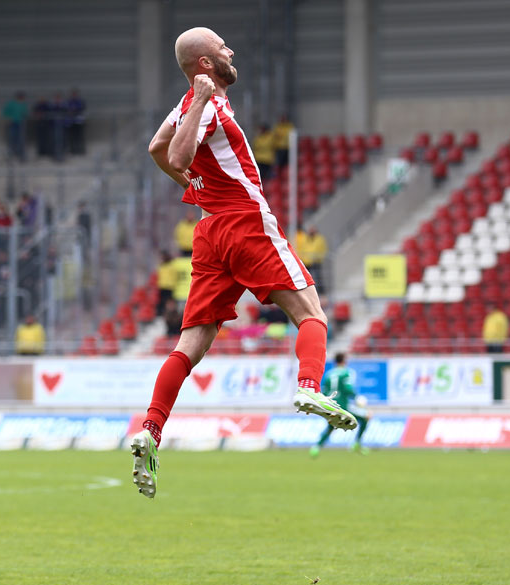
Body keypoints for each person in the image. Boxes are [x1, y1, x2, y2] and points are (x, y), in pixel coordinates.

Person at [130, 27, 356, 499]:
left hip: (211, 231)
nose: (231, 50)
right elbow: (175, 152)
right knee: (311, 313)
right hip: (245, 221)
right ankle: (309, 385)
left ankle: (151, 429)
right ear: (206, 64)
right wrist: (199, 110)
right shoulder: (206, 104)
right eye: (221, 47)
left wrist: (193, 187)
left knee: (193, 340)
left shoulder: (195, 102)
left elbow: (155, 149)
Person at [310, 352, 370, 457]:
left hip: (330, 406)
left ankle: (316, 447)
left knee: (331, 426)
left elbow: (324, 391)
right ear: (344, 361)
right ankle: (357, 443)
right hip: (343, 406)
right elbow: (347, 389)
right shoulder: (346, 372)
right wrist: (357, 398)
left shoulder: (329, 374)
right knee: (366, 416)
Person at [2, 91, 29, 161]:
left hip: (21, 124)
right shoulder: (11, 104)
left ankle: (21, 154)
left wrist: (24, 117)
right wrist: (8, 118)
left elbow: (26, 113)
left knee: (21, 139)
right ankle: (12, 153)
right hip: (13, 124)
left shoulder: (23, 104)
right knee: (12, 138)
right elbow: (5, 112)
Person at [66, 88, 87, 155]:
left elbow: (82, 108)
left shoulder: (80, 101)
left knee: (79, 137)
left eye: (75, 94)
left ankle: (80, 150)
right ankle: (72, 150)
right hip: (71, 122)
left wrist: (75, 110)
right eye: (73, 94)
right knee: (72, 137)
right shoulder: (69, 101)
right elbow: (67, 109)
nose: (74, 95)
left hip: (79, 122)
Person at [156, 251, 177, 315]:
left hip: (170, 287)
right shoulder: (161, 266)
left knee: (169, 301)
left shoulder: (172, 266)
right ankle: (162, 313)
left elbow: (175, 276)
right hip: (162, 286)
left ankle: (170, 313)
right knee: (162, 301)